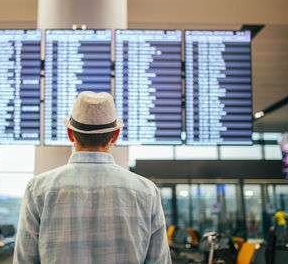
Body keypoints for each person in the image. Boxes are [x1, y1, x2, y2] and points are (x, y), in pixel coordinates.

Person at [14, 91, 171, 264]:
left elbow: (24, 260)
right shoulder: (147, 192)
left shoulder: (38, 189)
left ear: (70, 134)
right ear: (115, 136)